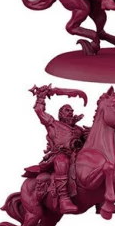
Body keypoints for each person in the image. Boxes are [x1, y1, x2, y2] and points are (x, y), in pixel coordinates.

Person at [29, 85, 88, 214]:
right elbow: (39, 111)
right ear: (60, 114)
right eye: (67, 110)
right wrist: (41, 97)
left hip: (76, 156)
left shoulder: (78, 129)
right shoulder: (53, 124)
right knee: (62, 161)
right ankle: (63, 198)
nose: (70, 112)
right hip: (59, 154)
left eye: (71, 110)